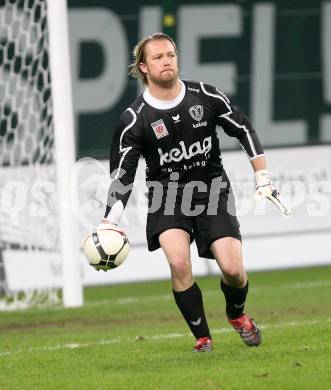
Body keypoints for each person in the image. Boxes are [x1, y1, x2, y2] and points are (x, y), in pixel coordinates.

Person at [101, 32, 283, 352]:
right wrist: (109, 221)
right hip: (166, 196)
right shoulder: (134, 121)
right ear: (143, 67)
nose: (166, 61)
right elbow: (122, 175)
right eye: (157, 57)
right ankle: (202, 337)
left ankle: (236, 315)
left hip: (211, 189)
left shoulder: (205, 96)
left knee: (233, 270)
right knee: (180, 264)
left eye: (170, 54)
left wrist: (263, 177)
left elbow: (243, 129)